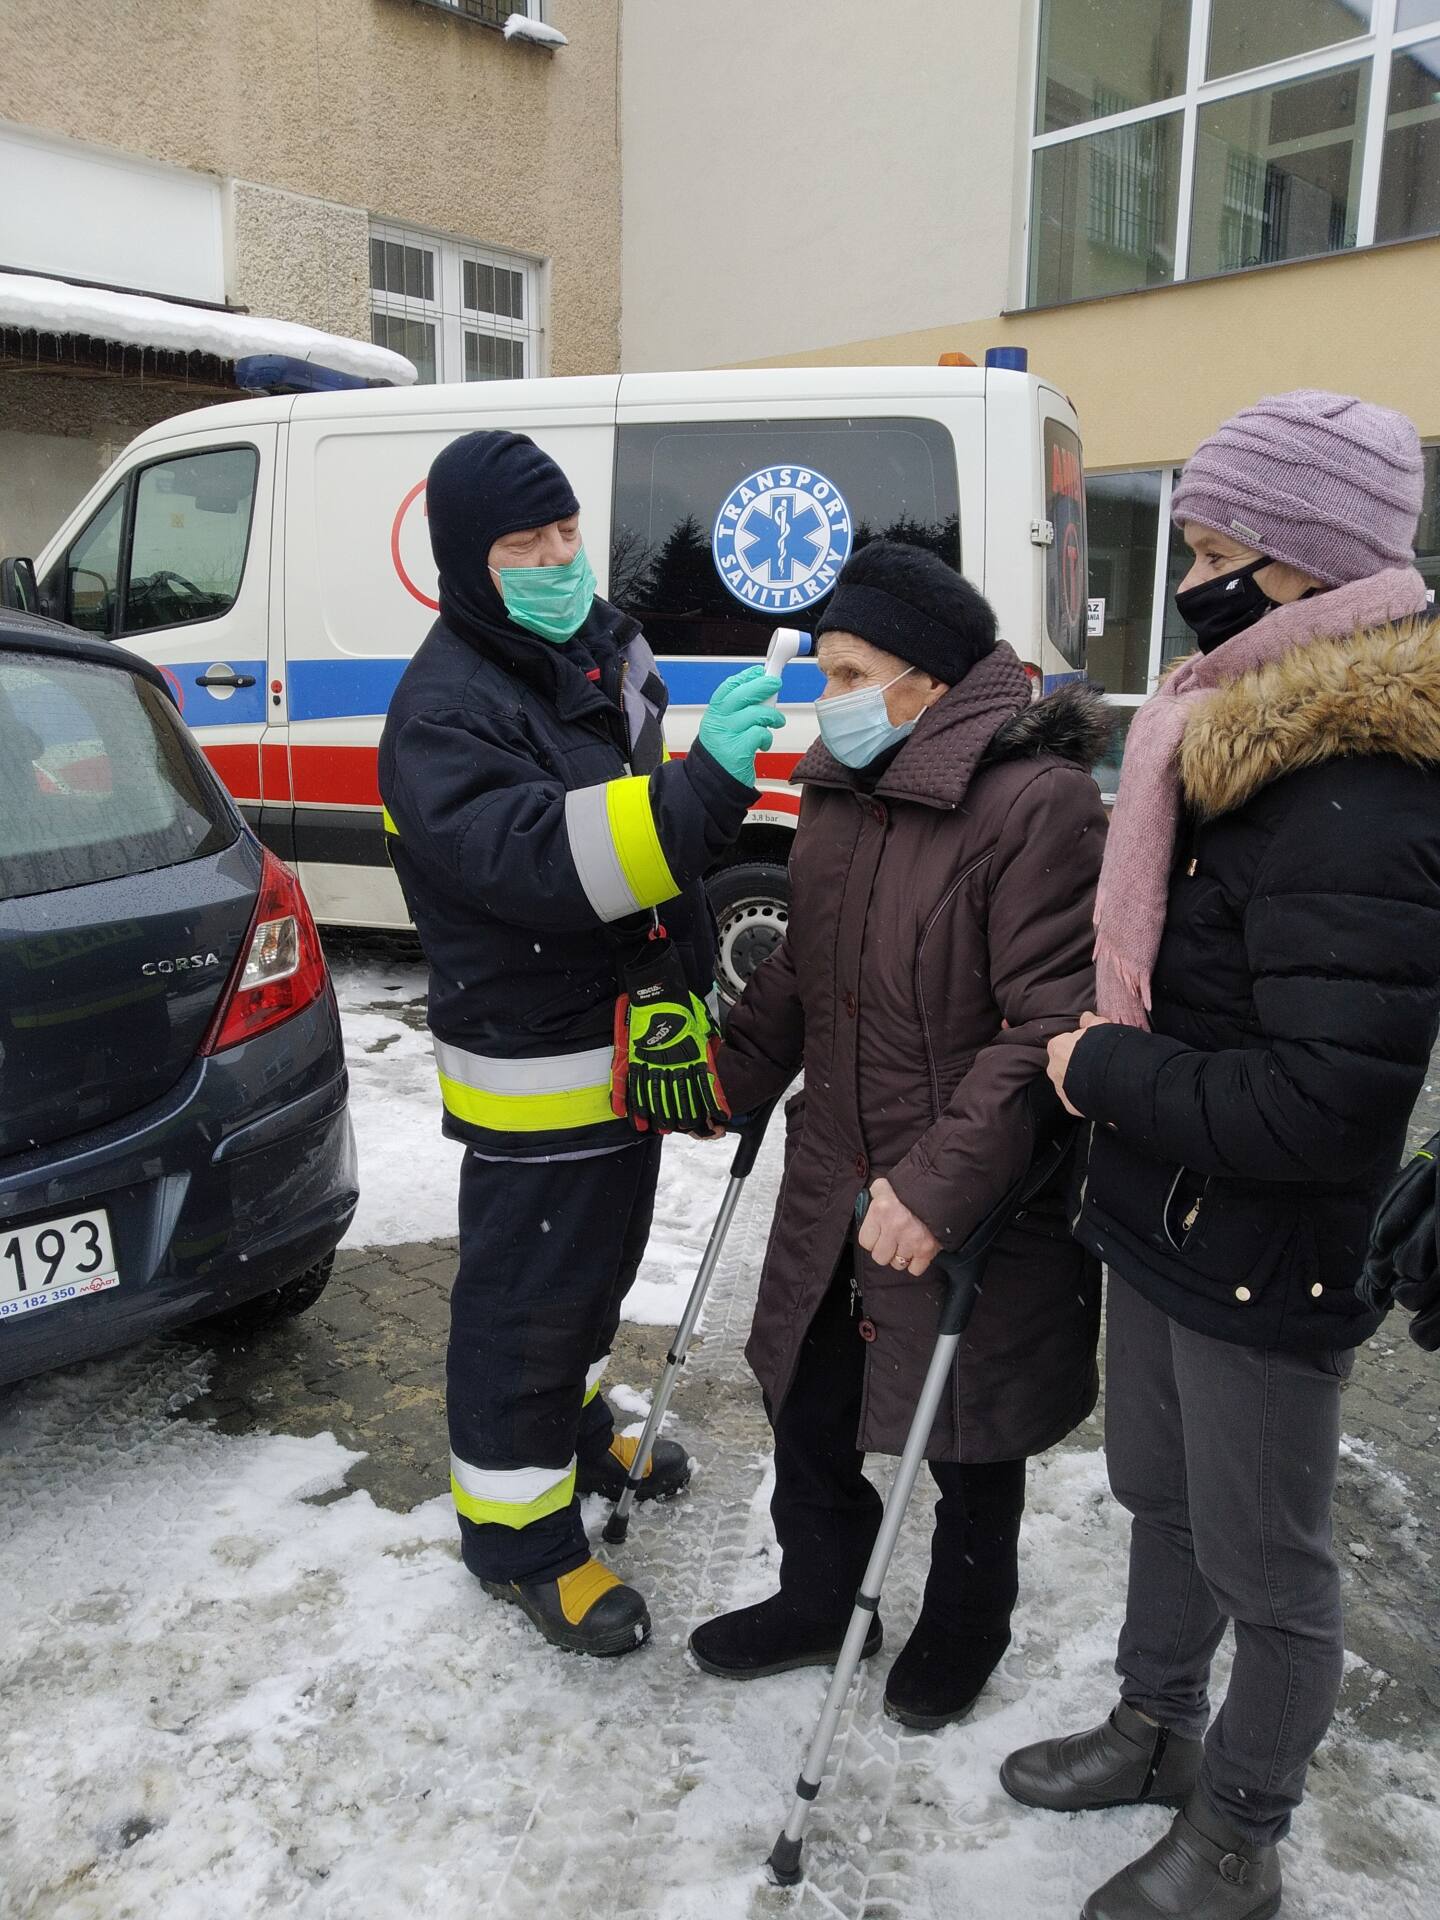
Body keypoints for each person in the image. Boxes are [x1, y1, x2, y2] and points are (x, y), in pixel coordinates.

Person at [1003, 390, 1440, 1920]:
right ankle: (1154, 1725)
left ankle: (1240, 1831)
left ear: (1308, 572)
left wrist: (1100, 1066)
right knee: (1161, 1499)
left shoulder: (1360, 791)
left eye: (1211, 546)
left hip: (1264, 1249)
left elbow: (1322, 1104)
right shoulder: (1225, 729)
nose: (1188, 576)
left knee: (1273, 1564)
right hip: (1163, 1213)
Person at [688, 539, 1111, 1727]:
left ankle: (969, 1622)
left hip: (975, 1184)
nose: (828, 700)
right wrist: (720, 1079)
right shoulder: (839, 788)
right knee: (806, 1395)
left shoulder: (1038, 805)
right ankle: (823, 1595)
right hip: (836, 1162)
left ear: (926, 678)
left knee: (968, 1430)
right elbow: (801, 979)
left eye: (845, 672)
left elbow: (1049, 1025)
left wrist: (936, 1188)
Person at [378, 430, 784, 1657]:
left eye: (565, 533)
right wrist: (704, 793)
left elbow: (619, 785)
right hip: (537, 1069)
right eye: (525, 544)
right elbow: (553, 861)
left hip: (621, 1045)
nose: (559, 559)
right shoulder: (446, 711)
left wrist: (684, 985)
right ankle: (523, 1543)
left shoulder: (583, 645)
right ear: (467, 557)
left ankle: (569, 1420)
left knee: (596, 1272)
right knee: (527, 1307)